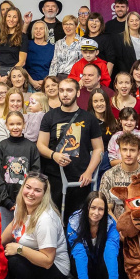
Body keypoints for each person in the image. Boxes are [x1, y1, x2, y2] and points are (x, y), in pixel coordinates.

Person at [2, 173, 70, 279]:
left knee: (14, 260)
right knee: (1, 252)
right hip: (36, 254)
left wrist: (19, 249)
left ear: (44, 194)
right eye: (28, 187)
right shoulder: (22, 205)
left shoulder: (46, 220)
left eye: (37, 190)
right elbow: (14, 225)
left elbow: (47, 261)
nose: (31, 193)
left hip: (55, 267)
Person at [38, 78, 105, 219]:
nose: (65, 94)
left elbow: (99, 149)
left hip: (80, 179)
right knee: (52, 218)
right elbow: (41, 145)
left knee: (78, 220)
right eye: (61, 90)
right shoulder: (49, 116)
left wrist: (89, 172)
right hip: (54, 177)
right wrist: (54, 155)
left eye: (69, 90)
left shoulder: (89, 118)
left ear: (78, 93)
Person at [67, 191, 121, 279]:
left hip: (102, 261)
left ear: (105, 211)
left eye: (101, 209)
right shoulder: (74, 222)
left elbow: (110, 252)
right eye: (93, 208)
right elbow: (79, 252)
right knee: (74, 261)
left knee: (117, 256)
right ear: (87, 207)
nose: (96, 213)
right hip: (87, 262)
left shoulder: (111, 224)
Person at [99, 132, 140, 218]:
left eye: (132, 150)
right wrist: (118, 225)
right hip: (117, 223)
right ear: (119, 151)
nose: (128, 154)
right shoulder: (109, 175)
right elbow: (107, 208)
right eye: (124, 150)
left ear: (139, 152)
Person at [0, 7, 25, 82]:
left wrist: (9, 76)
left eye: (14, 17)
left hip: (14, 72)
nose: (11, 19)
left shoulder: (23, 37)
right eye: (9, 16)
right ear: (5, 18)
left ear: (18, 19)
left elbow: (22, 61)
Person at [108, 12, 140, 80]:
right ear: (127, 23)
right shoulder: (120, 38)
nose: (134, 23)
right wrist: (129, 75)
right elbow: (119, 60)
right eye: (131, 21)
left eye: (137, 20)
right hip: (127, 76)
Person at [48, 15, 84, 79]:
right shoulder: (59, 43)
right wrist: (51, 78)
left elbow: (85, 62)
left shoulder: (83, 42)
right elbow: (54, 62)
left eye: (71, 24)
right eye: (65, 24)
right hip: (59, 77)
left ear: (76, 26)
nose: (68, 27)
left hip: (76, 77)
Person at [24, 20, 55, 91]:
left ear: (45, 31)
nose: (38, 31)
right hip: (28, 82)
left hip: (46, 84)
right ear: (33, 31)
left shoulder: (52, 48)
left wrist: (45, 81)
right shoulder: (27, 45)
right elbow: (22, 66)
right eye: (36, 28)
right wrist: (32, 82)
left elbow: (54, 68)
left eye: (41, 29)